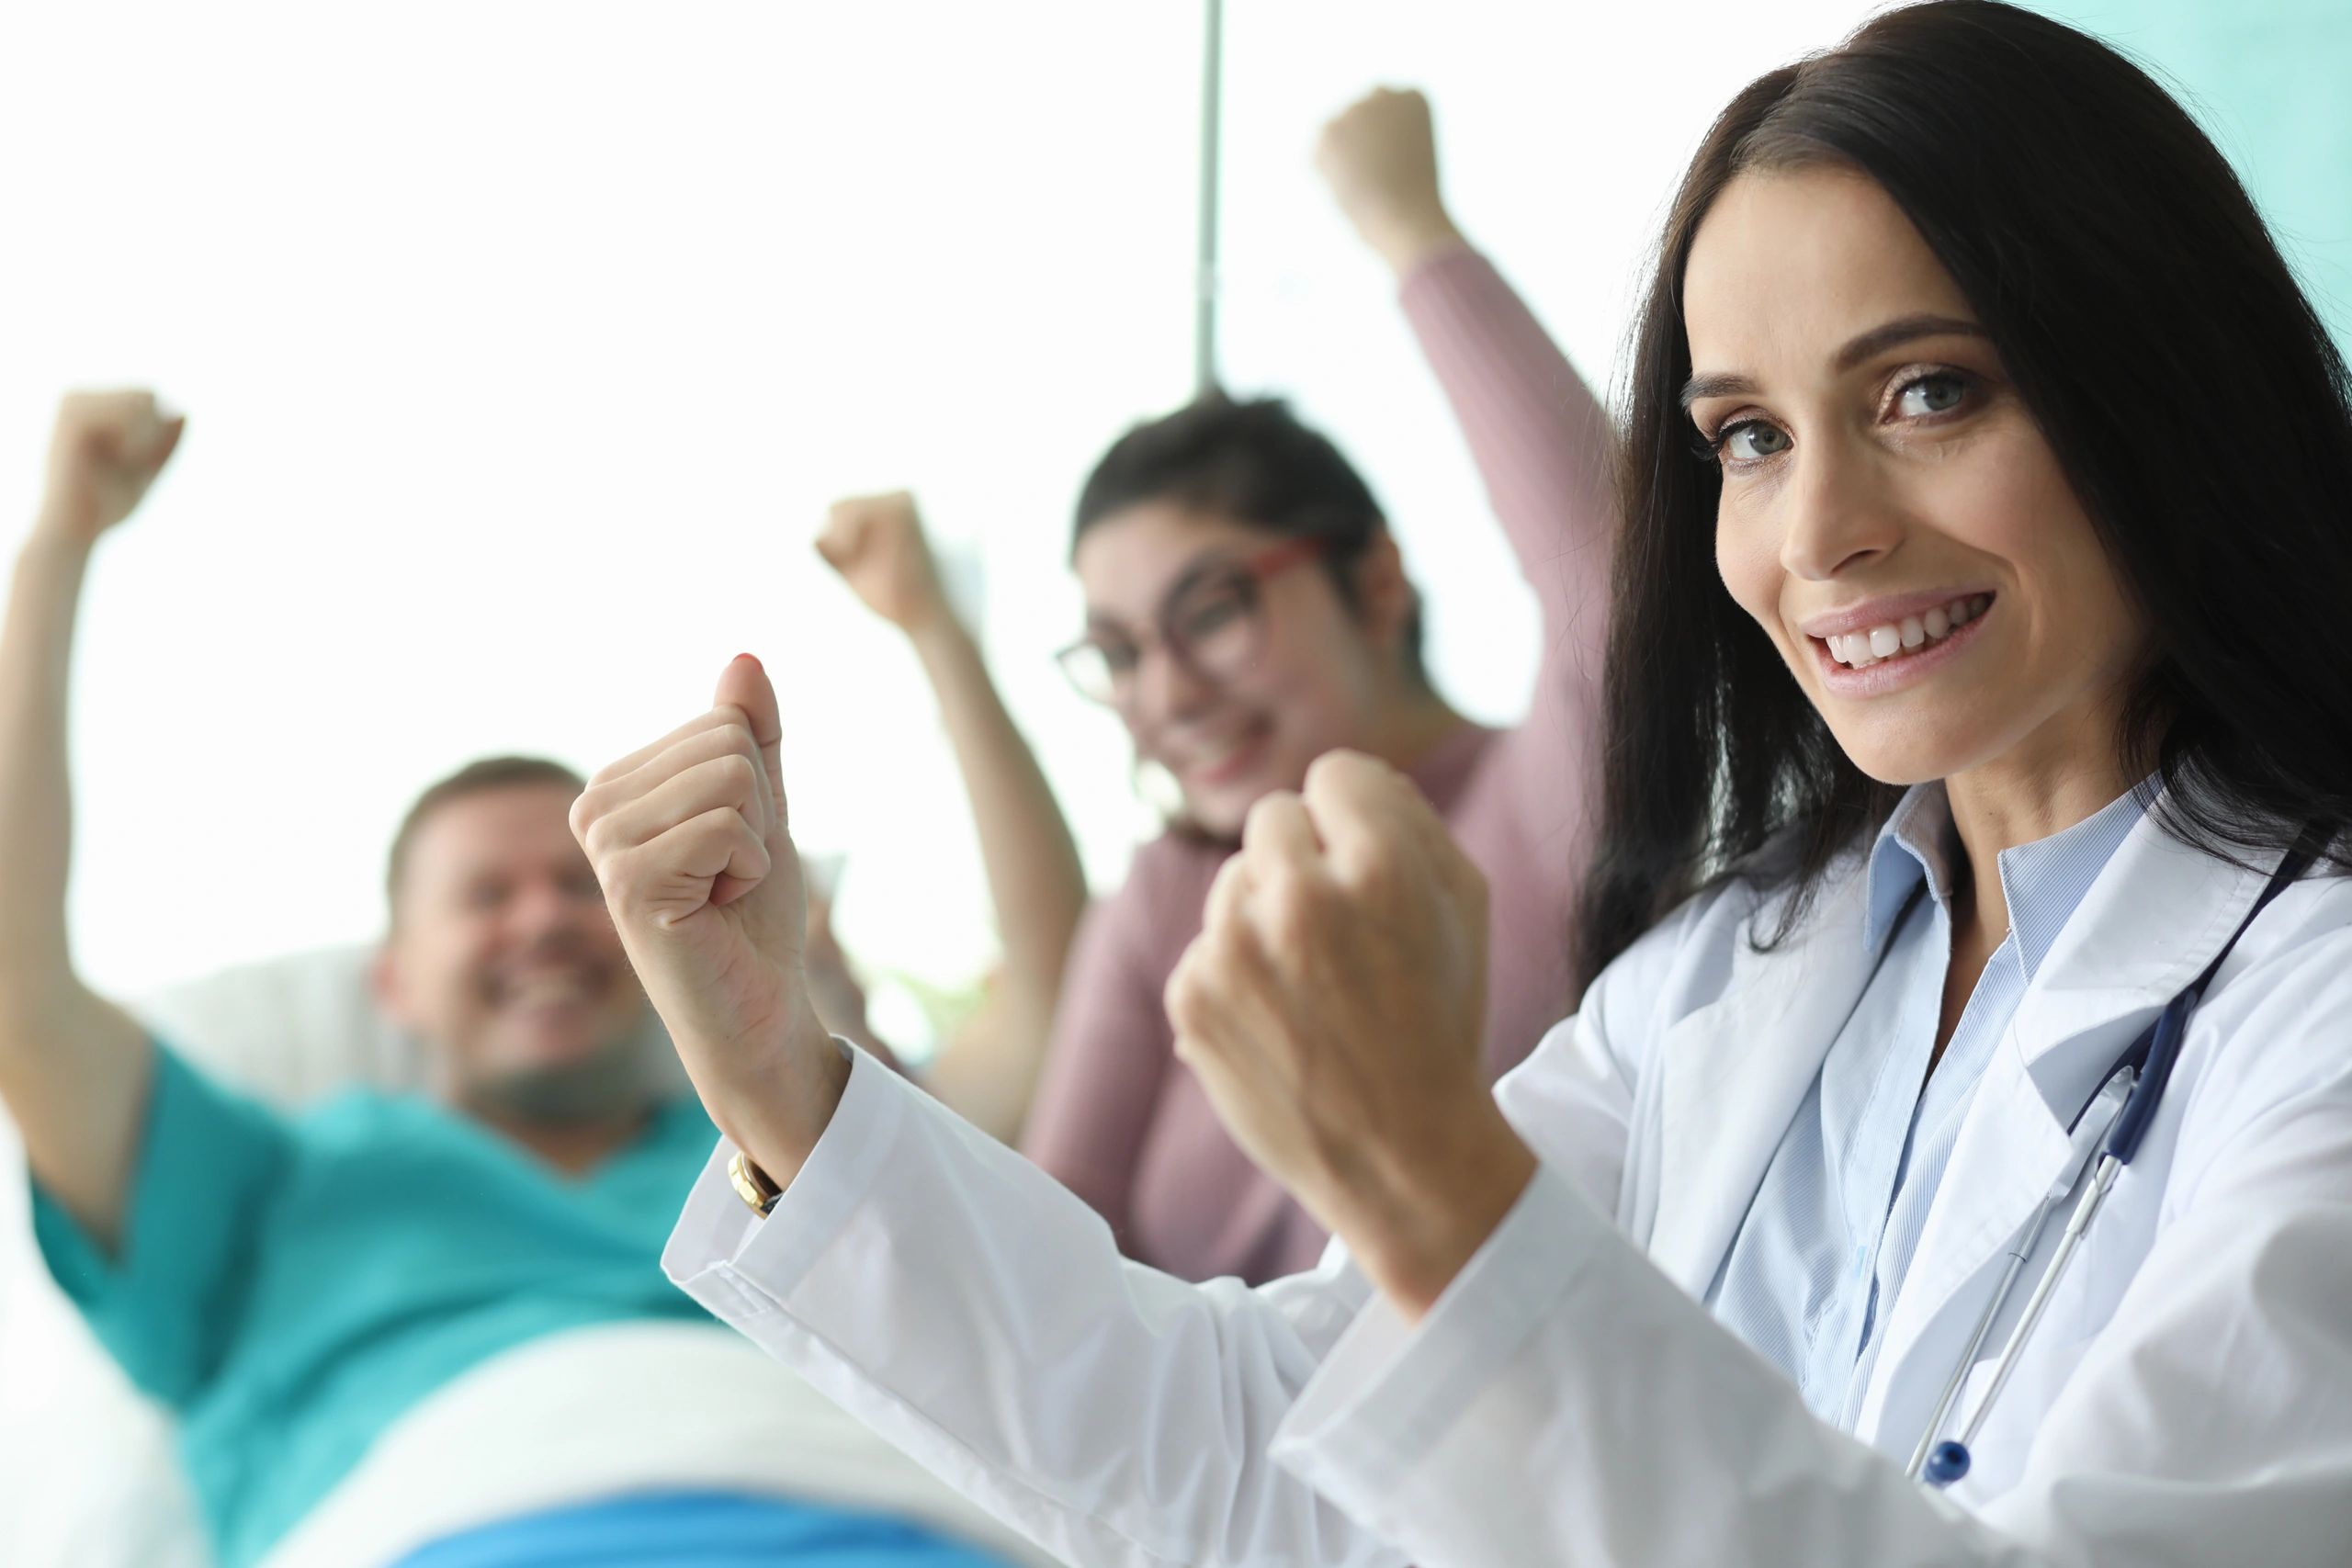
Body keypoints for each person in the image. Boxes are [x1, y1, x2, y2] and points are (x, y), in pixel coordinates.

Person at [585, 4, 2352, 1564]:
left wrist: (1445, 1194)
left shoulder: (2311, 1010)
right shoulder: (1735, 979)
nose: (1819, 530)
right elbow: (1277, 1459)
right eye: (1747, 434)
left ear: (2157, 385)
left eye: (1929, 390)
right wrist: (783, 1086)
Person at [0, 394, 1036, 1568]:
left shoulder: (794, 1150)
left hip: (873, 1525)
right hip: (459, 1526)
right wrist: (56, 546)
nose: (542, 919)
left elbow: (1049, 1009)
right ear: (392, 983)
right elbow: (19, 988)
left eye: (580, 887)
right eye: (486, 896)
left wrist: (935, 630)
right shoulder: (274, 1180)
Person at [817, 85, 1616, 1281]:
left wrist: (1412, 229)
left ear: (1378, 579)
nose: (1168, 694)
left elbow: (1611, 578)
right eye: (1122, 651)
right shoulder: (1167, 897)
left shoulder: (1542, 805)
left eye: (1211, 610)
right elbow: (1052, 1268)